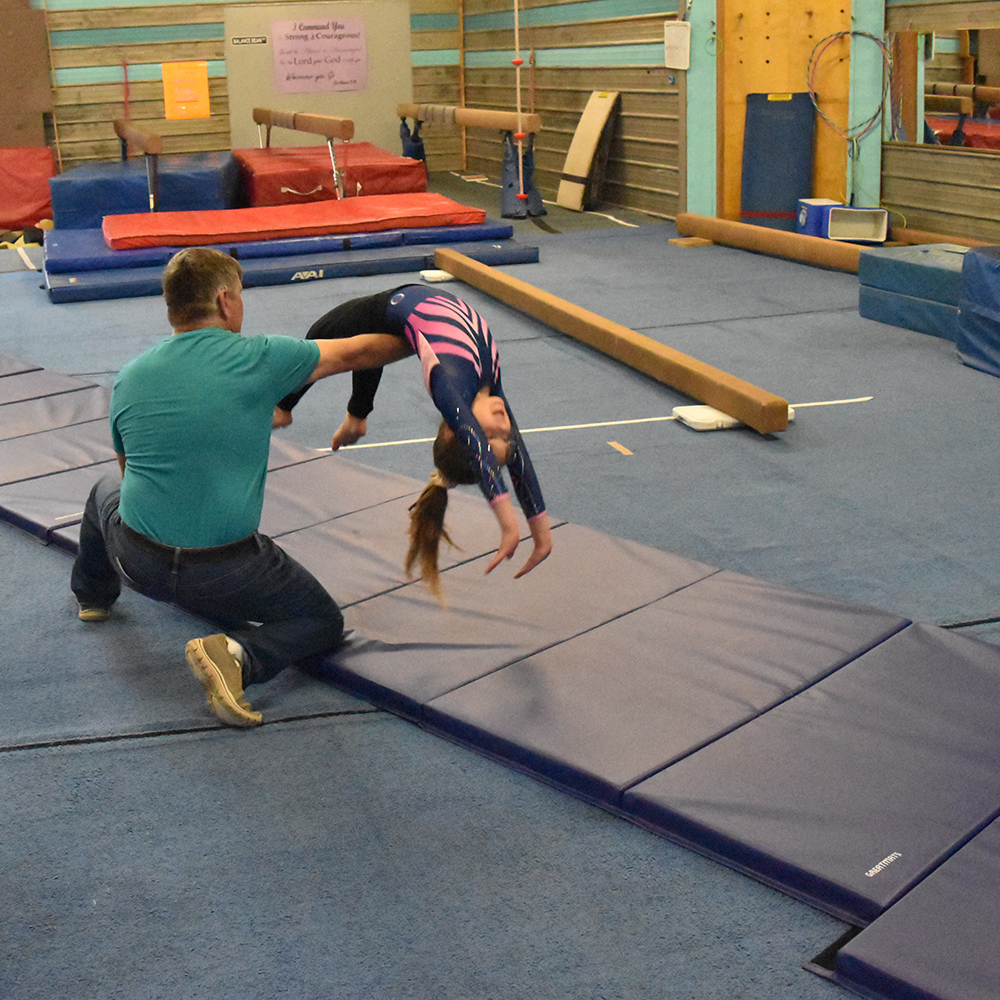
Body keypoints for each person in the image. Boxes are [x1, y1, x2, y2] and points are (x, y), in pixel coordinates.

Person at [70, 247, 410, 728]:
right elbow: (363, 349)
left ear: (171, 305)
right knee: (321, 622)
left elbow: (127, 474)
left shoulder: (129, 378)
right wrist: (432, 328)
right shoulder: (263, 356)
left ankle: (92, 597)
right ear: (226, 301)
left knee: (103, 490)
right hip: (228, 574)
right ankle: (236, 655)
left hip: (137, 563)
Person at [273, 284, 552, 601]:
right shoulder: (491, 397)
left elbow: (481, 453)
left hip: (392, 305)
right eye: (505, 437)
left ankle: (284, 408)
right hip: (400, 320)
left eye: (492, 437)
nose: (505, 426)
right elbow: (519, 462)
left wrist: (507, 525)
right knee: (363, 346)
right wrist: (541, 534)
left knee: (322, 338)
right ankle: (357, 415)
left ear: (453, 429)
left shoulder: (450, 386)